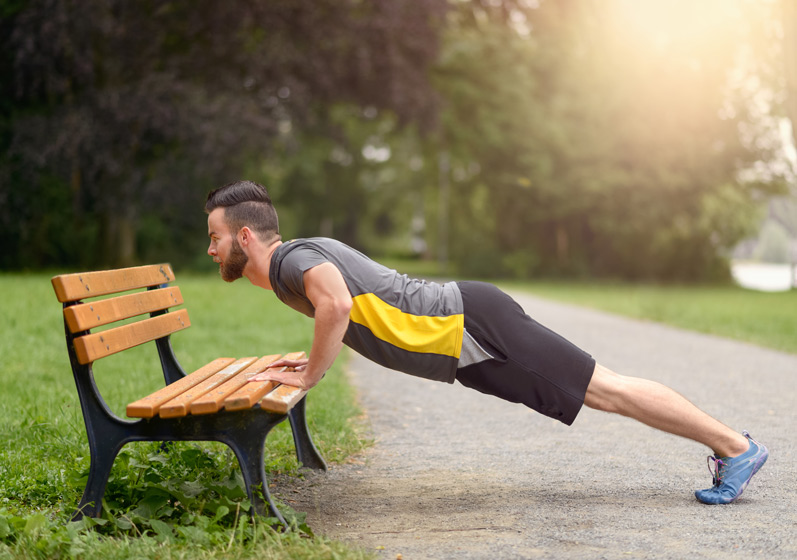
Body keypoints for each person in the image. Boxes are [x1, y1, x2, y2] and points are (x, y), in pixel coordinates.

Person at [205, 180, 768, 505]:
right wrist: (311, 356)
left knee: (606, 389)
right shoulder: (293, 257)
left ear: (246, 236)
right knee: (602, 390)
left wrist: (308, 377)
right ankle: (731, 448)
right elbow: (348, 309)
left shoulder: (292, 261)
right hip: (464, 338)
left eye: (216, 237)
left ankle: (736, 448)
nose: (211, 249)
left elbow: (338, 305)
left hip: (470, 324)